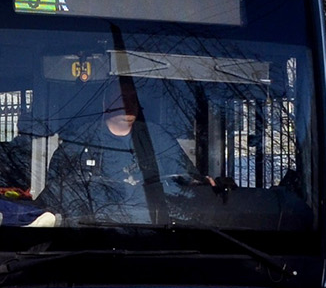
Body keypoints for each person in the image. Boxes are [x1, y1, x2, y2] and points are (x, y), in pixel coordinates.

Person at [42, 79, 206, 223]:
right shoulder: (81, 139)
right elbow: (56, 186)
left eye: (133, 99)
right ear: (105, 104)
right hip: (94, 233)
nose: (128, 105)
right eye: (121, 99)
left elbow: (187, 179)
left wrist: (202, 185)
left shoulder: (158, 137)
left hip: (154, 233)